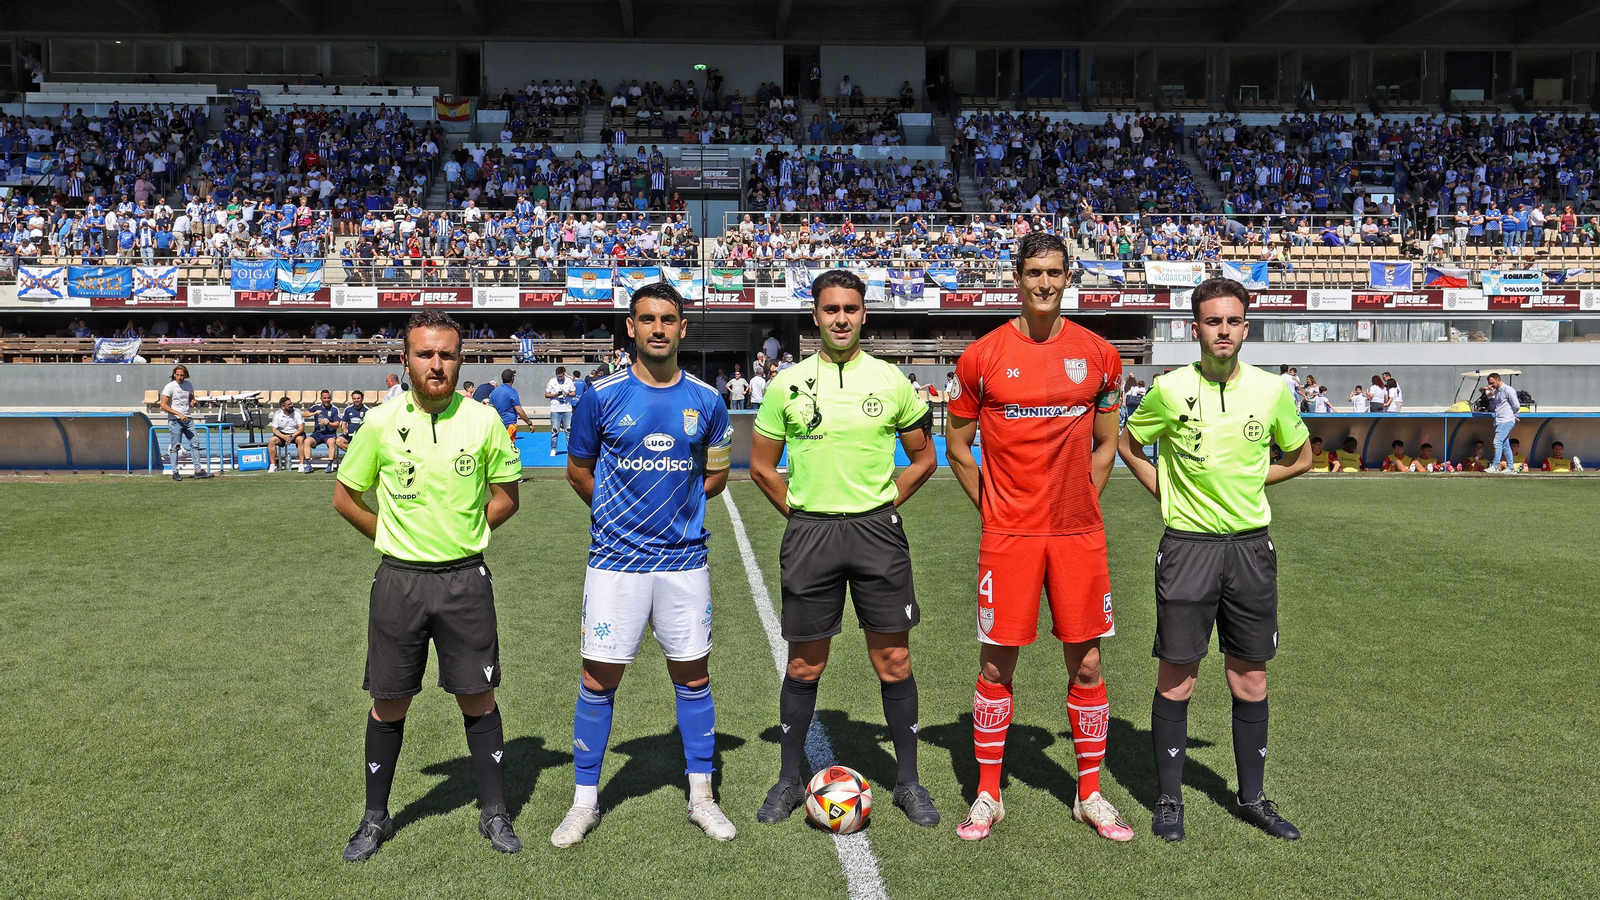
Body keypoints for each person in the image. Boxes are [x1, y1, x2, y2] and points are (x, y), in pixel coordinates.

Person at [944, 232, 1131, 843]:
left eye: (1054, 272)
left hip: (1078, 534)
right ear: (1016, 279)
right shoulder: (982, 356)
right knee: (998, 662)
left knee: (1088, 663)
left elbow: (1107, 443)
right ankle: (988, 794)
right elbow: (958, 446)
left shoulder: (1100, 354)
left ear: (1068, 275)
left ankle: (1089, 794)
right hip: (1010, 536)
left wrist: (1080, 501)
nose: (1044, 283)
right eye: (1033, 273)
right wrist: (995, 509)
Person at [1119, 276, 1313, 843]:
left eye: (1232, 321)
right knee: (1178, 677)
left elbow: (1299, 455)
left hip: (1251, 549)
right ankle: (1170, 799)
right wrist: (1165, 490)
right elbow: (1130, 445)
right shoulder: (1169, 390)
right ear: (1195, 328)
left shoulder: (1274, 390)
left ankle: (1253, 798)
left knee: (1249, 677)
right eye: (1212, 321)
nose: (1222, 330)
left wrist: (1257, 478)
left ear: (1245, 327)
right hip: (1188, 549)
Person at [750, 269, 940, 829]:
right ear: (815, 315)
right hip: (811, 535)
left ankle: (907, 781)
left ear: (863, 314)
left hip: (877, 533)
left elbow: (924, 457)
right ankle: (788, 781)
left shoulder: (891, 381)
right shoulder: (786, 384)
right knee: (806, 663)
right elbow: (761, 466)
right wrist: (803, 511)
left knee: (894, 659)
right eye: (830, 309)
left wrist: (884, 501)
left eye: (850, 309)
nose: (840, 318)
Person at [332, 310, 525, 862]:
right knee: (389, 701)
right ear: (406, 359)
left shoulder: (484, 421)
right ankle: (374, 818)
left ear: (460, 360)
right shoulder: (380, 422)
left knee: (478, 696)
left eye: (445, 354)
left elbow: (508, 496)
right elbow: (347, 497)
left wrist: (469, 533)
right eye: (425, 354)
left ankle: (494, 812)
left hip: (465, 580)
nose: (435, 364)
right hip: (400, 581)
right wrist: (390, 534)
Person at [552, 283, 737, 848]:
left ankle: (701, 796)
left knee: (693, 675)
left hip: (685, 563)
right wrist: (620, 518)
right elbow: (579, 471)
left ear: (683, 328)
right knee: (598, 679)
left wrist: (675, 511)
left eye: (669, 319)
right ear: (630, 328)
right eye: (647, 319)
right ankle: (584, 802)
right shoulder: (600, 396)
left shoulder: (707, 400)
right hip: (615, 563)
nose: (658, 328)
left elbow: (718, 473)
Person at [159, 365, 212, 482]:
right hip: (175, 421)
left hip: (188, 419)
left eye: (182, 375)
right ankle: (175, 472)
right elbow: (163, 405)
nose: (179, 377)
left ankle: (198, 470)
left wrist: (193, 402)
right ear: (174, 375)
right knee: (175, 446)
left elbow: (190, 398)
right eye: (177, 375)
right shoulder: (169, 387)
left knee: (195, 443)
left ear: (185, 375)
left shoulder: (188, 385)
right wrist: (178, 414)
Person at [489, 369, 534, 442]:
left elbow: (490, 408)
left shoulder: (494, 391)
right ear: (512, 379)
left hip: (497, 424)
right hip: (509, 424)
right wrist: (529, 423)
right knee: (510, 448)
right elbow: (519, 410)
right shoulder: (512, 392)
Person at [1487, 372, 1520, 472]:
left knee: (1497, 441)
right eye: (1490, 383)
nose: (1491, 385)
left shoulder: (1508, 390)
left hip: (1506, 420)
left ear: (1498, 380)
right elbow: (1489, 396)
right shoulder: (1496, 391)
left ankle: (1494, 465)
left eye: (1492, 383)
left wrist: (1512, 414)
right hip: (1499, 421)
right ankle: (1510, 467)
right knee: (1505, 445)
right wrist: (1487, 389)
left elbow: (1516, 405)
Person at [268, 396, 309, 473]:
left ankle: (301, 464)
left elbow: (301, 428)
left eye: (291, 403)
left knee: (300, 439)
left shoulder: (297, 412)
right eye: (289, 404)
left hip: (296, 433)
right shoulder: (277, 414)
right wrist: (283, 437)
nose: (291, 405)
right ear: (283, 407)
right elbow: (274, 429)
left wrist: (292, 436)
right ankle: (273, 465)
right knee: (271, 440)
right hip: (283, 434)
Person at [307, 389, 344, 473]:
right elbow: (304, 414)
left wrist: (328, 423)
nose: (326, 400)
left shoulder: (334, 409)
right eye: (324, 398)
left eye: (328, 398)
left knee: (331, 442)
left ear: (330, 398)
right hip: (317, 433)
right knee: (307, 441)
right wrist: (314, 413)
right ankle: (308, 464)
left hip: (329, 434)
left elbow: (337, 424)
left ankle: (330, 465)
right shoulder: (316, 407)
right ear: (321, 398)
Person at [545, 366, 578, 457]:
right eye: (558, 376)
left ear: (564, 374)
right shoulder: (552, 382)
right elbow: (546, 394)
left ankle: (570, 449)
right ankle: (553, 449)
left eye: (561, 376)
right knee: (555, 430)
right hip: (555, 409)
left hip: (567, 409)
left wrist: (567, 394)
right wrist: (555, 394)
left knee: (568, 430)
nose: (560, 378)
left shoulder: (568, 381)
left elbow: (574, 393)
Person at [335, 390, 368, 460]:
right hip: (349, 435)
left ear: (362, 398)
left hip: (361, 436)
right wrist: (344, 430)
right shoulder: (348, 409)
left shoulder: (367, 410)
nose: (356, 400)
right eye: (354, 398)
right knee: (338, 441)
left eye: (358, 398)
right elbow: (343, 423)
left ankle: (357, 456)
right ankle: (355, 454)